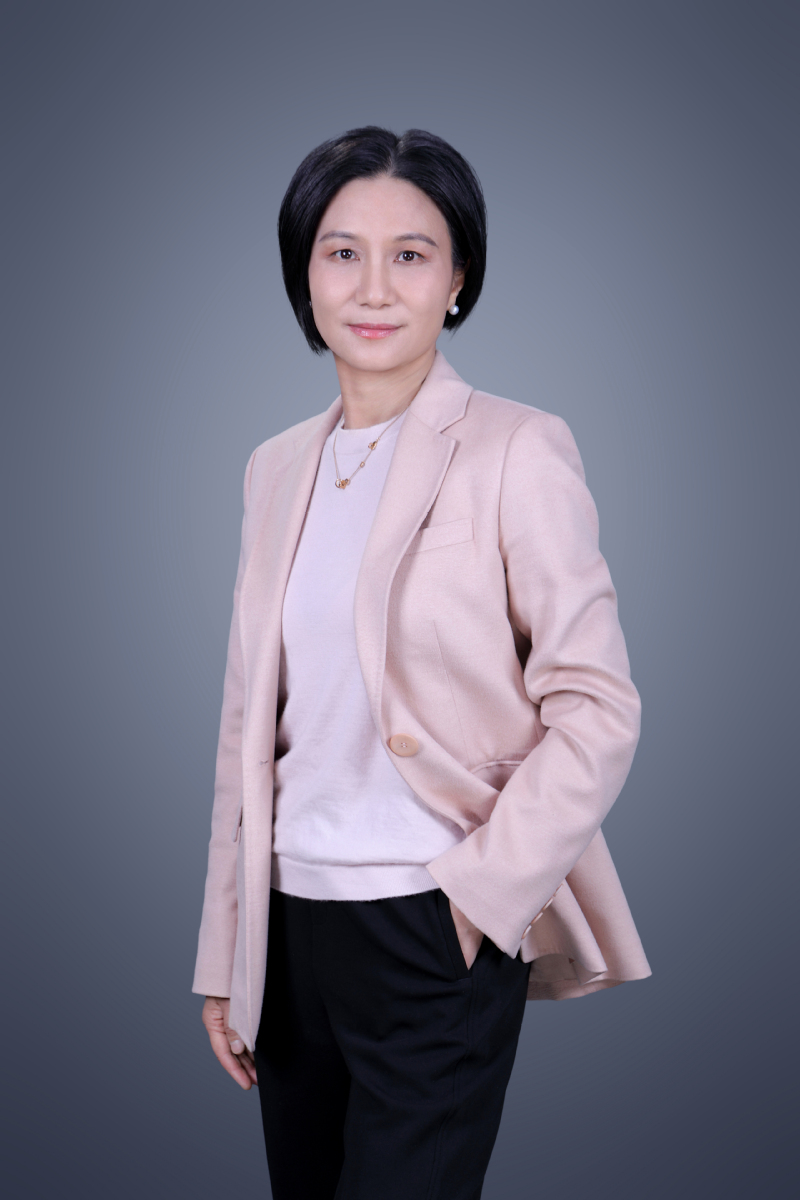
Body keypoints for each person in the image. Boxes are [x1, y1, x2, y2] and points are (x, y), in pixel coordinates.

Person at [193, 126, 651, 1200]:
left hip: (431, 921)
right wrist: (225, 955)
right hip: (288, 933)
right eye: (341, 251)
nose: (373, 286)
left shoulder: (516, 447)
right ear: (304, 274)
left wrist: (478, 897)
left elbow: (597, 707)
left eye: (411, 253)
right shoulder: (273, 467)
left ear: (457, 281)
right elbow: (246, 727)